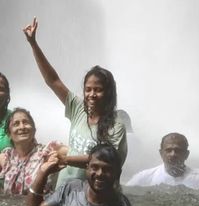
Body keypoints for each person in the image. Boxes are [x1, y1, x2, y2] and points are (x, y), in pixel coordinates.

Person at [22, 17, 127, 188]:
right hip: (65, 188)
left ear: (108, 93)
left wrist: (65, 159)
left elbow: (101, 160)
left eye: (98, 90)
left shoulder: (116, 127)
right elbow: (53, 80)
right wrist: (33, 44)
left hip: (94, 195)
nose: (91, 94)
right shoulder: (78, 109)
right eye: (88, 89)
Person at [0, 107, 66, 194]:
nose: (22, 127)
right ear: (9, 134)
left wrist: (61, 159)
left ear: (34, 129)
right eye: (16, 124)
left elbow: (75, 152)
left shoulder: (48, 151)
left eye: (26, 122)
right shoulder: (7, 157)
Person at [28, 143, 132, 206]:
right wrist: (43, 173)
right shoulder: (70, 190)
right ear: (87, 168)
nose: (100, 173)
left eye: (107, 169)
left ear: (118, 173)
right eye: (95, 167)